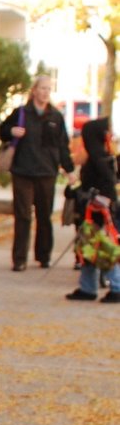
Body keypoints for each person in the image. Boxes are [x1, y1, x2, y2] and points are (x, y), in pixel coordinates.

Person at [0, 75, 73, 270]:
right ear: (34, 90)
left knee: (44, 216)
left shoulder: (56, 117)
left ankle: (43, 255)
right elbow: (2, 130)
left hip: (47, 172)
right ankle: (19, 259)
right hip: (23, 170)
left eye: (49, 89)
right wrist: (11, 131)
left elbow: (63, 146)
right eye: (42, 88)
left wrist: (69, 169)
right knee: (23, 216)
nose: (45, 92)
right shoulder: (21, 112)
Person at [65, 115, 120, 303]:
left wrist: (93, 198)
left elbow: (107, 188)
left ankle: (117, 286)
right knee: (88, 248)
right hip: (91, 212)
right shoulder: (101, 157)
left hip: (100, 212)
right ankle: (88, 287)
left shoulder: (99, 159)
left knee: (105, 248)